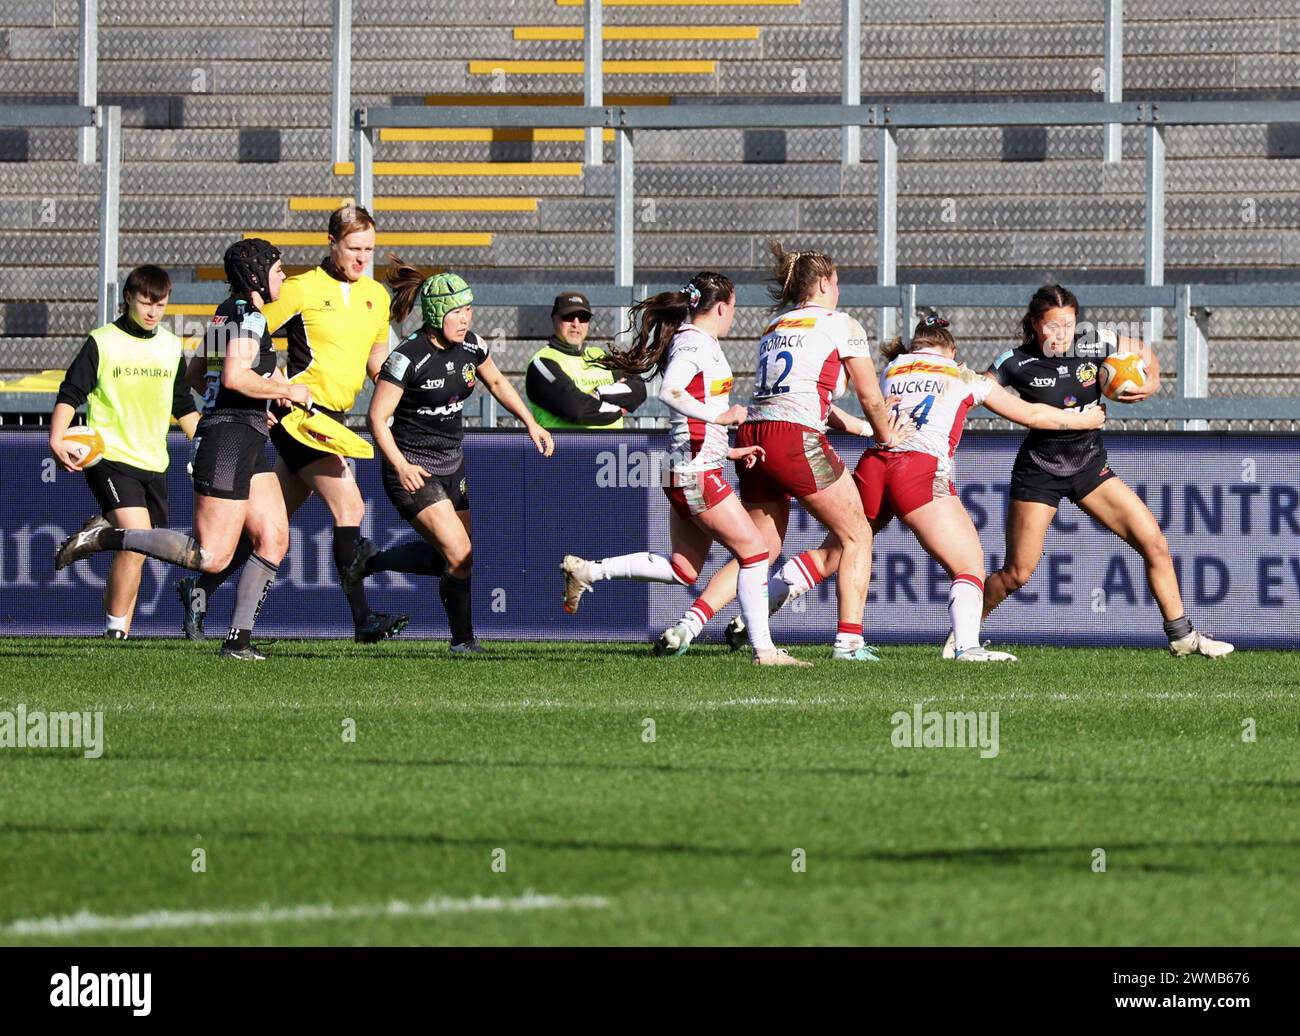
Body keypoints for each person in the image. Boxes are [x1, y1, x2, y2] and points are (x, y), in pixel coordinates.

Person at [732, 312, 1107, 661]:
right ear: (953, 349)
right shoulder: (962, 375)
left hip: (876, 464)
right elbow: (1033, 415)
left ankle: (757, 614)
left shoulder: (892, 369)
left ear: (915, 345)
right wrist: (1084, 419)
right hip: (919, 469)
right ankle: (967, 647)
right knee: (968, 564)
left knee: (837, 550)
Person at [648, 243, 906, 661]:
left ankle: (689, 625)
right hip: (793, 439)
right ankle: (849, 642)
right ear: (824, 282)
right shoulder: (842, 323)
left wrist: (858, 428)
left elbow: (806, 396)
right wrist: (884, 433)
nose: (838, 291)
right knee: (856, 532)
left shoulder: (775, 325)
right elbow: (870, 395)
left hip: (755, 431)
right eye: (837, 282)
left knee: (759, 548)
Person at [56, 242, 311, 659]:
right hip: (228, 442)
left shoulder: (230, 313)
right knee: (211, 557)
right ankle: (109, 536)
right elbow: (233, 376)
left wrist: (256, 403)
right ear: (255, 275)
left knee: (274, 537)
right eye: (278, 269)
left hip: (244, 436)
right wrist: (284, 389)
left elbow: (197, 375)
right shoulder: (247, 314)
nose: (283, 276)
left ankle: (238, 642)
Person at [176, 205, 408, 644]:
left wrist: (401, 382)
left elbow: (376, 361)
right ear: (332, 244)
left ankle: (198, 587)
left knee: (268, 527)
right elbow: (243, 330)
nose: (362, 258)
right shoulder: (299, 289)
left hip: (333, 418)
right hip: (296, 414)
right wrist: (218, 375)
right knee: (350, 508)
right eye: (354, 248)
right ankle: (362, 621)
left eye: (370, 249)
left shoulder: (376, 296)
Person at [558, 273, 811, 667]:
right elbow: (670, 392)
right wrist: (721, 415)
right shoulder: (695, 344)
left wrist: (728, 449)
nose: (733, 316)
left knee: (684, 569)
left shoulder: (694, 341)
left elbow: (688, 418)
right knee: (756, 551)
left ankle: (589, 571)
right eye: (734, 307)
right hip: (694, 472)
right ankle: (764, 650)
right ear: (723, 306)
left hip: (686, 465)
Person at [973, 283, 1232, 658]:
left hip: (1089, 469)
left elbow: (1144, 352)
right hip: (1040, 471)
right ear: (1034, 324)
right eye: (1052, 326)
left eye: (1068, 324)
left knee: (1154, 542)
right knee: (1017, 574)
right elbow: (982, 393)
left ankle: (1182, 636)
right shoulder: (1014, 362)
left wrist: (1151, 382)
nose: (1061, 334)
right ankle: (965, 633)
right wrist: (1064, 419)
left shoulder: (1095, 343)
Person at [341, 260, 555, 653]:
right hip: (412, 468)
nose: (465, 318)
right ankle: (463, 643)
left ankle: (370, 562)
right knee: (460, 553)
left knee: (454, 561)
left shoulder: (472, 344)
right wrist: (400, 464)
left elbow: (495, 380)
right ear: (437, 313)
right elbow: (376, 417)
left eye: (469, 309)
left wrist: (530, 422)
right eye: (457, 311)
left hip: (452, 465)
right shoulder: (408, 357)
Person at [48, 264, 200, 638]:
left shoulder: (170, 346)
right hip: (110, 456)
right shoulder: (102, 341)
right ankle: (114, 632)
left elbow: (182, 406)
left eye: (160, 305)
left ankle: (122, 631)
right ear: (128, 298)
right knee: (138, 537)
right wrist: (56, 437)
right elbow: (71, 392)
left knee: (140, 548)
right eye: (146, 302)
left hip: (153, 460)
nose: (153, 312)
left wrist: (208, 446)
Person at [526, 290, 647, 428]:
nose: (576, 324)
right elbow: (577, 409)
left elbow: (639, 389)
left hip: (612, 448)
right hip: (566, 448)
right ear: (554, 319)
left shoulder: (599, 356)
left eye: (583, 317)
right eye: (569, 316)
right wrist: (618, 409)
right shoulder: (542, 363)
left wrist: (598, 394)